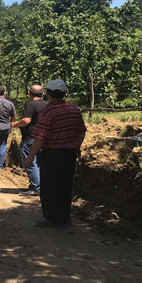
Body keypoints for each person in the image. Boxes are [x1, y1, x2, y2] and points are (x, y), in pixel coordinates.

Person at [24, 79, 86, 228]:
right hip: (69, 154)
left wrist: (30, 156)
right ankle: (65, 218)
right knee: (65, 186)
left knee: (50, 187)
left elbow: (40, 137)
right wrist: (76, 147)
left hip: (52, 155)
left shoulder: (48, 111)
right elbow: (81, 131)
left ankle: (52, 219)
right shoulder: (73, 109)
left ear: (49, 94)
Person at [11, 85, 48, 196]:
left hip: (30, 137)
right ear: (43, 94)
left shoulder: (31, 105)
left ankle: (36, 188)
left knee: (30, 162)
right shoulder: (47, 106)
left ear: (29, 93)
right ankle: (38, 185)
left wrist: (16, 124)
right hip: (43, 138)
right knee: (39, 163)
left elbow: (26, 121)